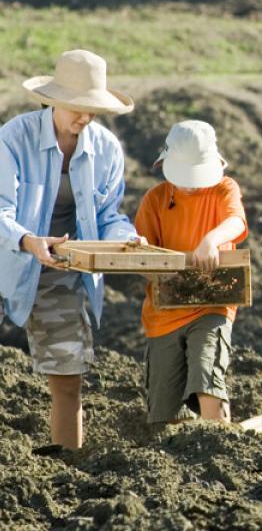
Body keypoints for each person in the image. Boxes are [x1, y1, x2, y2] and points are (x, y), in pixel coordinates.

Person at [0, 49, 140, 450]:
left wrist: (125, 240)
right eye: (77, 108)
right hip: (7, 255)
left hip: (59, 267)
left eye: (92, 110)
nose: (85, 117)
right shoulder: (14, 138)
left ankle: (68, 466)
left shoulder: (106, 149)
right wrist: (28, 240)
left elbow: (108, 213)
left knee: (68, 376)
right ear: (54, 101)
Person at [133, 120, 248, 424]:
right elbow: (143, 256)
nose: (190, 183)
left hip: (213, 303)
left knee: (208, 380)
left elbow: (236, 222)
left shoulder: (224, 188)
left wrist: (211, 240)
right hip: (164, 312)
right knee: (162, 412)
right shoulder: (156, 199)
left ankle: (221, 451)